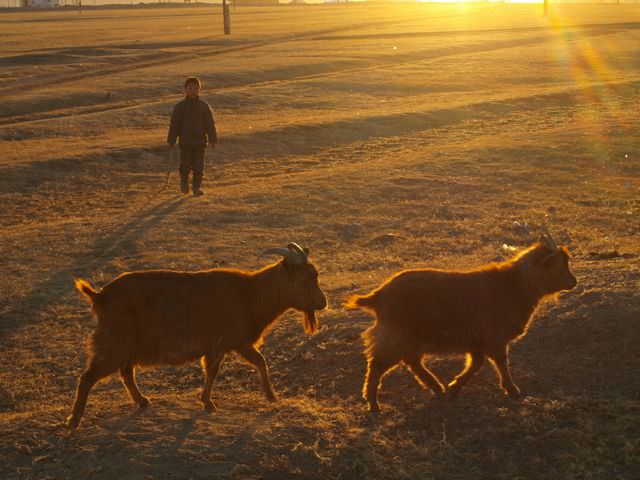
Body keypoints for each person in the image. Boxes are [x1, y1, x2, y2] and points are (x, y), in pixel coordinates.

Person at [167, 77, 217, 196]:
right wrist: (171, 139)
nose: (193, 90)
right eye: (190, 88)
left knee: (198, 166)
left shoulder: (203, 106)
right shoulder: (180, 107)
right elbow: (175, 124)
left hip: (200, 142)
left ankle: (196, 188)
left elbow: (209, 124)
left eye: (195, 88)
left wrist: (212, 139)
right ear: (185, 89)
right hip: (185, 142)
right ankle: (184, 184)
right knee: (185, 165)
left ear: (199, 89)